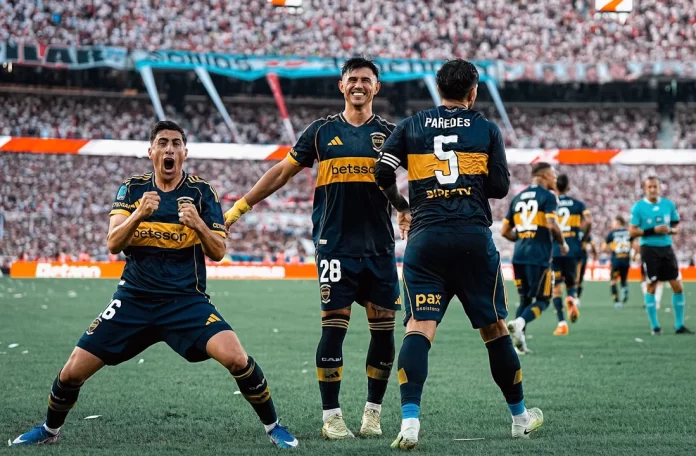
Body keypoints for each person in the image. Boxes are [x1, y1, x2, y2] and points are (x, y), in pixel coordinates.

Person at [10, 121, 298, 448]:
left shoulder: (202, 193)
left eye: (175, 143)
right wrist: (138, 215)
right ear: (151, 152)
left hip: (185, 300)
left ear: (185, 153)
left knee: (237, 358)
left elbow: (218, 251)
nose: (169, 149)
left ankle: (273, 426)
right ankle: (49, 430)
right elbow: (113, 243)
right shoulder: (131, 190)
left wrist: (198, 224)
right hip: (133, 299)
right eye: (162, 143)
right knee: (72, 371)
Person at [224, 58, 402, 439]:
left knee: (384, 331)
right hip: (334, 246)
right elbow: (281, 172)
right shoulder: (321, 132)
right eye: (352, 79)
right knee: (333, 328)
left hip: (379, 248)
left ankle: (372, 414)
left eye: (366, 80)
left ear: (377, 87)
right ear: (341, 86)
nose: (358, 85)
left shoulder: (390, 134)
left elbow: (417, 174)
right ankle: (331, 417)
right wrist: (239, 208)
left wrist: (407, 209)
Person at [375, 59, 543, 450]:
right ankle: (519, 419)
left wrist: (402, 206)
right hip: (472, 238)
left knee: (419, 327)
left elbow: (382, 173)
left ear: (439, 90)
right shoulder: (486, 128)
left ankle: (410, 422)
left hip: (426, 238)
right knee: (495, 329)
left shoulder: (411, 125)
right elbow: (499, 188)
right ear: (473, 92)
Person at [502, 163, 568, 352]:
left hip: (519, 255)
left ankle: (519, 345)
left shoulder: (517, 197)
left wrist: (522, 237)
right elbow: (552, 224)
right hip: (538, 256)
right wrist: (563, 243)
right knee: (544, 299)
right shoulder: (548, 196)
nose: (555, 178)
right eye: (553, 174)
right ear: (545, 175)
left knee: (524, 299)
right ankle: (520, 323)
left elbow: (505, 231)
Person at [629, 176, 692, 335]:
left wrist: (670, 230)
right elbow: (632, 231)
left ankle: (679, 325)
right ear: (645, 189)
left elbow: (675, 225)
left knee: (677, 286)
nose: (652, 189)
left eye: (655, 186)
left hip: (666, 248)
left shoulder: (668, 205)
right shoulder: (639, 207)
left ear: (660, 188)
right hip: (649, 249)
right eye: (649, 187)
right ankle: (655, 326)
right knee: (652, 285)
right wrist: (653, 230)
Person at [549, 174, 592, 336]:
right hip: (572, 248)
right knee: (572, 283)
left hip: (555, 249)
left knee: (556, 288)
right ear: (568, 187)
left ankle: (561, 323)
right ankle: (572, 299)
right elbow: (589, 221)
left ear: (555, 187)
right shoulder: (578, 204)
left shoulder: (550, 203)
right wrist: (583, 238)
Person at [604, 216, 632, 308]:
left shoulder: (612, 233)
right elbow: (633, 244)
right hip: (626, 259)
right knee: (623, 279)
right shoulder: (628, 232)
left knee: (613, 281)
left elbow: (604, 247)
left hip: (616, 259)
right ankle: (624, 288)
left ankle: (617, 302)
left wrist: (610, 247)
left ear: (618, 223)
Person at [576, 233, 597, 306]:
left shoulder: (584, 233)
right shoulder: (585, 233)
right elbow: (592, 245)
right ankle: (576, 297)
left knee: (578, 279)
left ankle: (575, 297)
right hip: (580, 257)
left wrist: (594, 253)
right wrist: (594, 254)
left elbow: (592, 244)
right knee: (578, 279)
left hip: (577, 257)